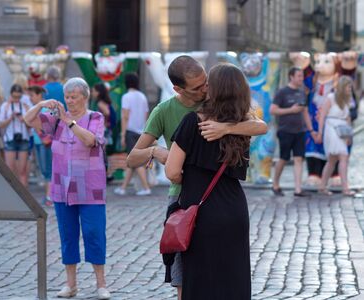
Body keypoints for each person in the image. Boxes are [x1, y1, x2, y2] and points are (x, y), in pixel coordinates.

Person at [126, 56, 267, 299]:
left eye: (207, 83)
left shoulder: (216, 115)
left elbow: (261, 126)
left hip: (196, 202)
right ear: (178, 89)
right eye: (198, 87)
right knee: (222, 278)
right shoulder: (166, 111)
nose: (204, 89)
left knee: (196, 280)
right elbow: (132, 158)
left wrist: (226, 128)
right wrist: (156, 151)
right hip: (206, 202)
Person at [165, 62, 257, 300]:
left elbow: (172, 171)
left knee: (201, 281)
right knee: (233, 280)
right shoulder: (243, 125)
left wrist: (191, 177)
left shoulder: (192, 122)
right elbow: (261, 126)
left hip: (200, 213)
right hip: (235, 210)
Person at [24, 77, 111, 300]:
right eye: (67, 97)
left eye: (74, 97)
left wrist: (70, 121)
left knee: (94, 233)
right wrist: (42, 104)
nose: (69, 101)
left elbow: (91, 140)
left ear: (85, 97)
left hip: (90, 188)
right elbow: (28, 119)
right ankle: (70, 284)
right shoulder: (55, 120)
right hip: (62, 187)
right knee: (68, 235)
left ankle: (101, 284)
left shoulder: (95, 117)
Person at [270, 67, 315, 197]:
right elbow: (273, 110)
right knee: (284, 158)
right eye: (299, 76)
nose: (301, 78)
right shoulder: (282, 92)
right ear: (291, 76)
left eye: (302, 76)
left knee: (299, 159)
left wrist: (311, 130)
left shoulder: (302, 92)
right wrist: (291, 110)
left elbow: (305, 112)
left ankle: (298, 189)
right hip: (285, 131)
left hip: (300, 131)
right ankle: (275, 184)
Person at [114, 73, 151, 196]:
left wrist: (123, 134)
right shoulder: (143, 97)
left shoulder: (126, 97)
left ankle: (146, 188)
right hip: (142, 132)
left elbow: (125, 116)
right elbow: (147, 115)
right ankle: (123, 188)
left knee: (136, 161)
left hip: (130, 131)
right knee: (131, 161)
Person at [317, 76, 355, 196]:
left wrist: (349, 136)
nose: (350, 89)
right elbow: (322, 115)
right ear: (343, 86)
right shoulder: (331, 97)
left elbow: (348, 118)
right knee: (343, 156)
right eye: (349, 87)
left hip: (342, 130)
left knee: (332, 160)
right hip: (332, 128)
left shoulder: (347, 100)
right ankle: (345, 188)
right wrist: (320, 132)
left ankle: (322, 186)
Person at [0, 84, 31, 187]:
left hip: (23, 139)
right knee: (10, 171)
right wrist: (10, 118)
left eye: (19, 97)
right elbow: (1, 124)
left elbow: (30, 126)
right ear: (11, 95)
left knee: (23, 171)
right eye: (14, 97)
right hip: (10, 139)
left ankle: (24, 200)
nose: (16, 99)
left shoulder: (26, 106)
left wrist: (24, 120)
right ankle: (11, 198)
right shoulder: (5, 106)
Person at [28, 85, 53, 206]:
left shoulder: (44, 109)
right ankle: (48, 196)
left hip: (45, 143)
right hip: (39, 142)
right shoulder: (36, 109)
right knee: (44, 170)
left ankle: (50, 197)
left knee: (47, 169)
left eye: (32, 95)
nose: (30, 98)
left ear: (39, 95)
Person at [92, 83, 117, 182]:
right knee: (103, 153)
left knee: (101, 154)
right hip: (105, 130)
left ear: (98, 92)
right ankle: (108, 174)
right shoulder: (105, 102)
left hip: (103, 131)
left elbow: (106, 112)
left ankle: (106, 174)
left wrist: (103, 123)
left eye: (93, 91)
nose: (92, 93)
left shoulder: (100, 103)